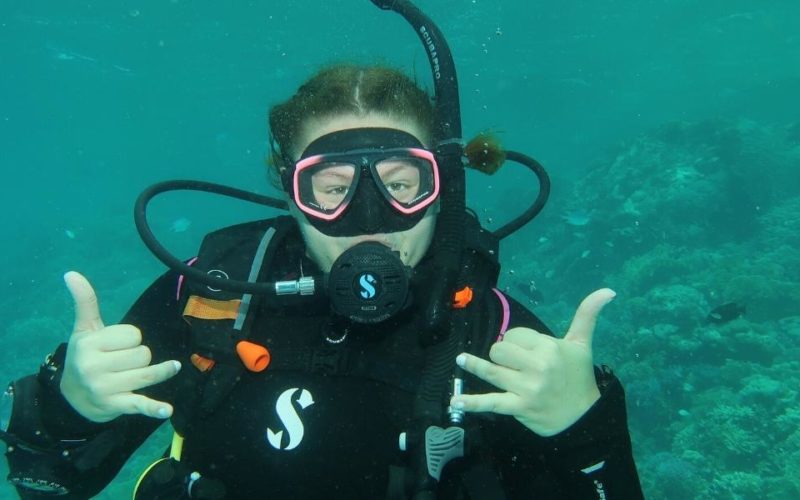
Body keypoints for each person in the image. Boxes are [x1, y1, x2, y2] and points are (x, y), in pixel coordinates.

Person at [1, 3, 643, 499]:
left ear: (441, 186)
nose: (369, 222)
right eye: (331, 189)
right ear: (289, 194)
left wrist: (585, 430)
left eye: (400, 184)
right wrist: (67, 408)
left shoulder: (489, 336)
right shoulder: (214, 298)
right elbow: (47, 483)